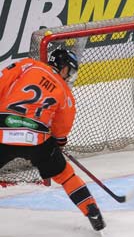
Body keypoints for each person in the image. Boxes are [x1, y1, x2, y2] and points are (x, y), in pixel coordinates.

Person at [0, 49, 105, 231]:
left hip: (3, 129)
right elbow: (62, 127)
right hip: (37, 140)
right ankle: (92, 211)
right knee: (65, 175)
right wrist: (58, 143)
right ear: (63, 68)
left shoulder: (27, 65)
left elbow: (2, 82)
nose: (69, 76)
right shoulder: (65, 92)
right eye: (69, 71)